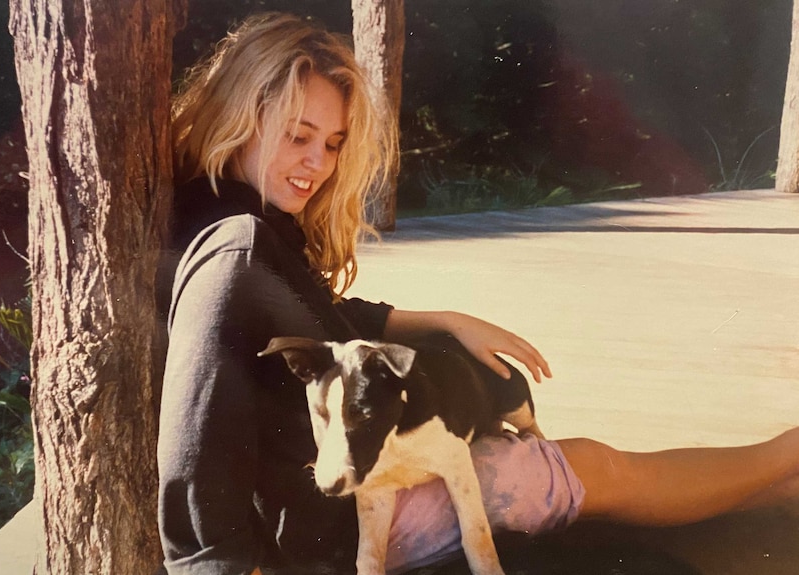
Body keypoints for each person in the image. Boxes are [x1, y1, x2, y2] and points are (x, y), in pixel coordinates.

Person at [157, 12, 799, 575]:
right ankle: (786, 454)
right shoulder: (235, 250)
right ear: (240, 116)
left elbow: (304, 319)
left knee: (578, 464)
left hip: (345, 480)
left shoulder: (237, 224)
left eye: (332, 144)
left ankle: (781, 478)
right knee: (594, 471)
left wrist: (442, 319)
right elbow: (195, 438)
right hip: (338, 519)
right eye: (298, 137)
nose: (318, 165)